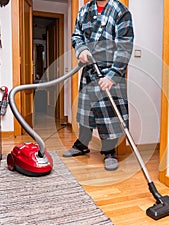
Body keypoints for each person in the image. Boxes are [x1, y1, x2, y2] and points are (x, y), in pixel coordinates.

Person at [63, 0, 134, 171]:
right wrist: (81, 49)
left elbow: (125, 45)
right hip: (90, 71)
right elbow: (77, 35)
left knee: (108, 115)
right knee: (86, 112)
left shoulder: (120, 11)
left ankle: (110, 152)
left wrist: (113, 75)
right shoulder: (84, 11)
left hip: (109, 73)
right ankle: (82, 144)